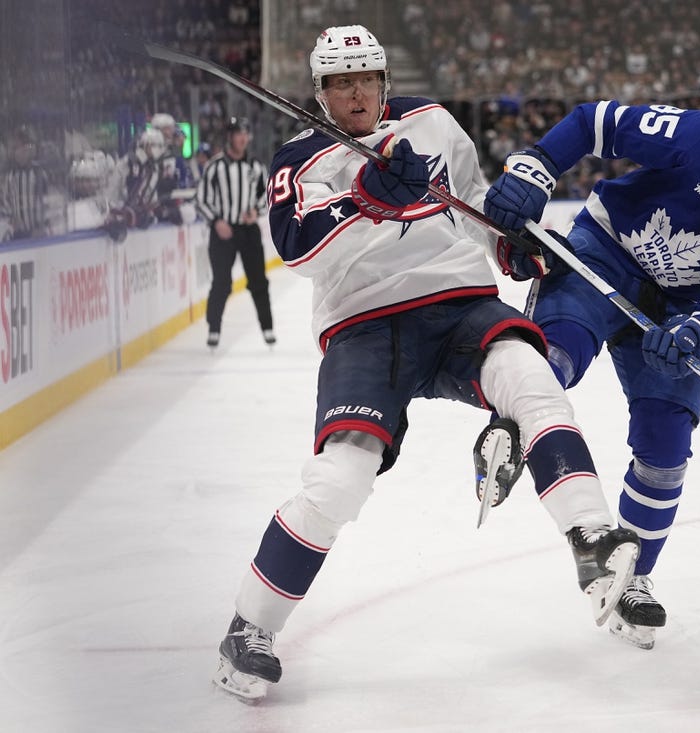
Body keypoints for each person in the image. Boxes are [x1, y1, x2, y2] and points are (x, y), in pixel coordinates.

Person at [212, 25, 640, 701]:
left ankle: (590, 536)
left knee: (533, 383)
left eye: (365, 79)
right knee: (342, 477)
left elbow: (470, 202)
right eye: (339, 83)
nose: (355, 94)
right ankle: (249, 627)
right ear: (320, 92)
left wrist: (510, 246)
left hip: (460, 305)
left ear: (383, 78)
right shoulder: (299, 158)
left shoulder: (432, 121)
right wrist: (366, 195)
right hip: (366, 326)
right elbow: (296, 247)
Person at [475, 102, 700, 649]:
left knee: (666, 447)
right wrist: (538, 163)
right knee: (558, 354)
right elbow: (598, 122)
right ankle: (510, 427)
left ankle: (629, 575)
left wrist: (698, 335)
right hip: (606, 253)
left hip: (674, 317)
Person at [194, 116, 274, 349]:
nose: (243, 137)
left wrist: (255, 212)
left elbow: (269, 196)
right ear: (229, 137)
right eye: (238, 132)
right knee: (222, 282)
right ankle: (214, 328)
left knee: (258, 281)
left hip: (248, 231)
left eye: (245, 132)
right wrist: (217, 221)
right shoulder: (214, 167)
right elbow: (200, 200)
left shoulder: (255, 167)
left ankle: (267, 326)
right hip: (222, 232)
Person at [0, 126, 51, 241]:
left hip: (39, 234)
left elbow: (48, 203)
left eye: (25, 147)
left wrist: (43, 227)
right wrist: (10, 222)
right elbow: (6, 204)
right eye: (16, 148)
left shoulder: (40, 174)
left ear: (32, 149)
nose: (20, 152)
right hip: (18, 234)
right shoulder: (10, 176)